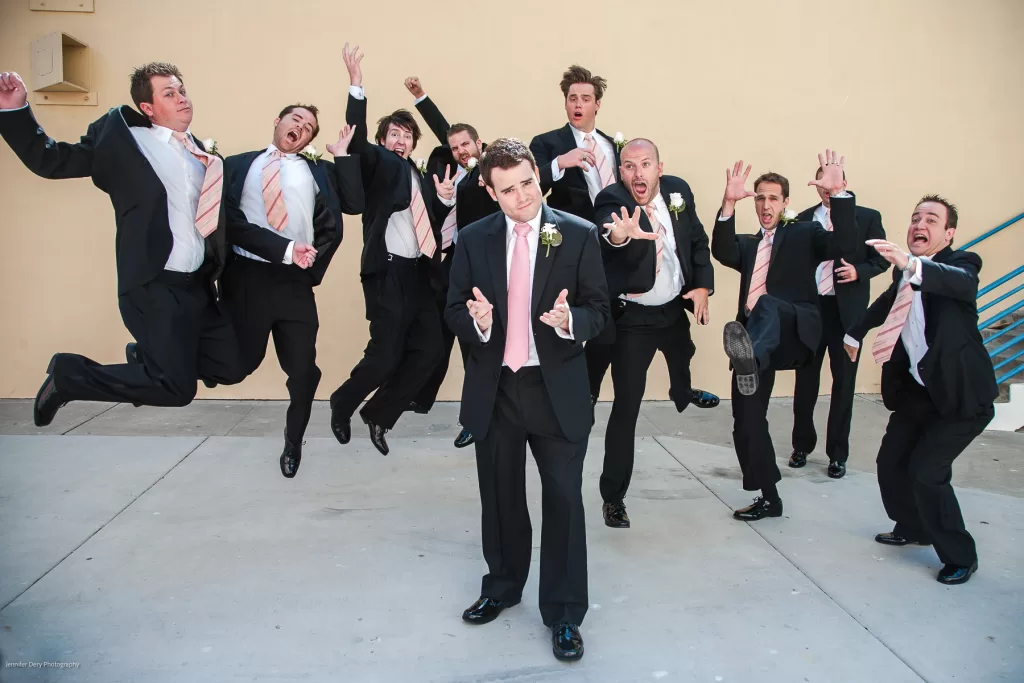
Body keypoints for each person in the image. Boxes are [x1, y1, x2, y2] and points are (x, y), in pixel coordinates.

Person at [0, 65, 246, 426]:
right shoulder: (123, 142)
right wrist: (15, 111)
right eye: (169, 94)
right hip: (153, 283)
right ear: (148, 108)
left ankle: (147, 357)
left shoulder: (203, 156)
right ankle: (68, 377)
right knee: (175, 389)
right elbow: (51, 160)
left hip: (196, 286)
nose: (181, 98)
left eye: (181, 90)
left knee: (231, 363)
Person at [445, 138, 610, 661]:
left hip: (555, 390)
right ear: (490, 192)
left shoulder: (578, 235)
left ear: (538, 174)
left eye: (527, 183)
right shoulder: (473, 239)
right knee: (500, 497)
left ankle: (564, 613)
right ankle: (502, 586)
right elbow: (452, 307)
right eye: (508, 189)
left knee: (563, 501)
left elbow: (600, 311)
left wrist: (571, 324)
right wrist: (477, 321)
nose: (522, 196)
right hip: (496, 389)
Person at [844, 195, 997, 585]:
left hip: (962, 397)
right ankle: (914, 528)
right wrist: (854, 331)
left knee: (927, 473)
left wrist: (911, 264)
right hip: (919, 392)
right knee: (890, 463)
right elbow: (885, 303)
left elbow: (958, 284)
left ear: (948, 233)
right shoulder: (903, 274)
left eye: (931, 219)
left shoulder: (962, 265)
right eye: (915, 217)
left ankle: (961, 555)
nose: (919, 224)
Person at [712, 151, 860, 521]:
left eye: (773, 197)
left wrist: (838, 193)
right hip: (757, 345)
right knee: (745, 423)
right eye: (759, 197)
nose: (765, 204)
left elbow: (844, 246)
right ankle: (769, 497)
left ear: (786, 203)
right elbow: (721, 249)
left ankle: (750, 357)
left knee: (769, 305)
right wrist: (728, 202)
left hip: (794, 331)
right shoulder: (748, 244)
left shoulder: (804, 233)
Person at [222, 104, 363, 477]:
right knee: (240, 363)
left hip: (294, 279)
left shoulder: (318, 170)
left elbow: (354, 204)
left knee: (302, 370)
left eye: (309, 127)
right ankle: (156, 355)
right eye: (295, 119)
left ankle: (293, 441)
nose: (300, 127)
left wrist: (343, 156)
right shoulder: (236, 165)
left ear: (310, 140)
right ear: (277, 121)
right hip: (246, 276)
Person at [592, 138, 717, 529]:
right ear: (620, 171)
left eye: (645, 164)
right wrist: (621, 235)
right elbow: (608, 234)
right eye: (629, 166)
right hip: (635, 319)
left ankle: (683, 392)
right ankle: (613, 497)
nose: (637, 173)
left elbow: (696, 240)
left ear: (659, 168)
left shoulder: (678, 190)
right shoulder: (611, 200)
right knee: (627, 407)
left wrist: (702, 285)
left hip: (672, 308)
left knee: (683, 353)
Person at [328, 45, 445, 456]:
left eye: (407, 135)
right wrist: (356, 87)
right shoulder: (380, 165)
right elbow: (357, 140)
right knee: (384, 354)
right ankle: (343, 401)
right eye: (393, 134)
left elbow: (434, 219)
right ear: (383, 141)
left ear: (414, 144)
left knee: (430, 348)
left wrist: (444, 198)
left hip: (419, 274)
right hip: (388, 272)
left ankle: (378, 414)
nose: (401, 139)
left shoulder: (422, 177)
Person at [403, 76, 500, 449]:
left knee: (475, 349)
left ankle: (475, 419)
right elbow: (448, 133)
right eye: (454, 146)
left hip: (486, 270)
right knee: (440, 335)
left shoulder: (492, 168)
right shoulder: (450, 168)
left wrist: (423, 98)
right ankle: (422, 397)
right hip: (450, 263)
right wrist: (420, 99)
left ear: (479, 143)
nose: (460, 150)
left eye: (466, 144)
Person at [789, 166, 888, 479]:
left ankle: (837, 455)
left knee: (843, 384)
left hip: (847, 315)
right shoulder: (803, 218)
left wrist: (860, 272)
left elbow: (882, 259)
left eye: (831, 183)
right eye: (820, 183)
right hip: (810, 310)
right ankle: (801, 446)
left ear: (843, 184)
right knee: (805, 382)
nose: (825, 188)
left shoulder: (868, 217)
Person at [529, 64, 618, 226]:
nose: (578, 104)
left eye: (585, 99)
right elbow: (531, 187)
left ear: (597, 104)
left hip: (618, 232)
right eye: (573, 99)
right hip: (574, 231)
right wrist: (559, 163)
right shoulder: (545, 142)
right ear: (565, 103)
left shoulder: (613, 145)